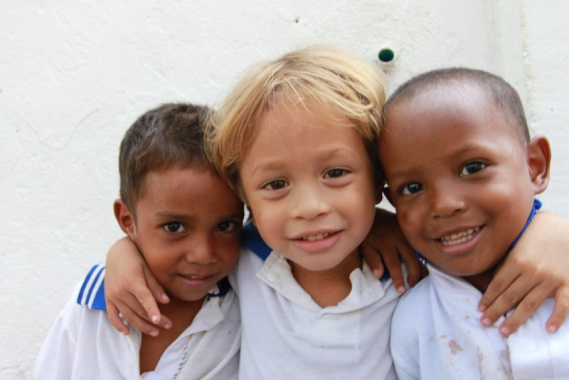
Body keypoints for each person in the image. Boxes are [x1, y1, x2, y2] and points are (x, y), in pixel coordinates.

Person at [101, 46, 569, 377]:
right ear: (245, 195)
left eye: (336, 174)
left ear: (378, 182)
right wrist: (121, 255)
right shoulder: (242, 259)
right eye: (276, 184)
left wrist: (553, 230)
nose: (309, 208)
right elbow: (174, 246)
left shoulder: (417, 261)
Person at [381, 68, 569, 379]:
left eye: (472, 167)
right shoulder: (411, 321)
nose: (444, 204)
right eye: (412, 188)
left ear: (534, 166)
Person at [34, 103, 243, 379]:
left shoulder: (248, 300)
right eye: (175, 227)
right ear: (127, 221)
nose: (203, 255)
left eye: (225, 226)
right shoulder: (90, 307)